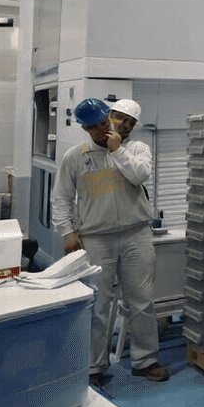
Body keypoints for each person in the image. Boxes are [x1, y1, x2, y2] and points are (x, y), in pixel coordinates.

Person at [53, 97, 168, 385]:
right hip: (96, 238)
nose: (104, 129)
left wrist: (117, 151)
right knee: (98, 303)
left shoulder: (137, 149)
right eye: (96, 126)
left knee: (142, 301)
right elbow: (62, 198)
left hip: (136, 234)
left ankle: (145, 360)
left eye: (106, 122)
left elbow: (139, 175)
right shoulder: (75, 157)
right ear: (85, 128)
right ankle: (94, 366)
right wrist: (67, 232)